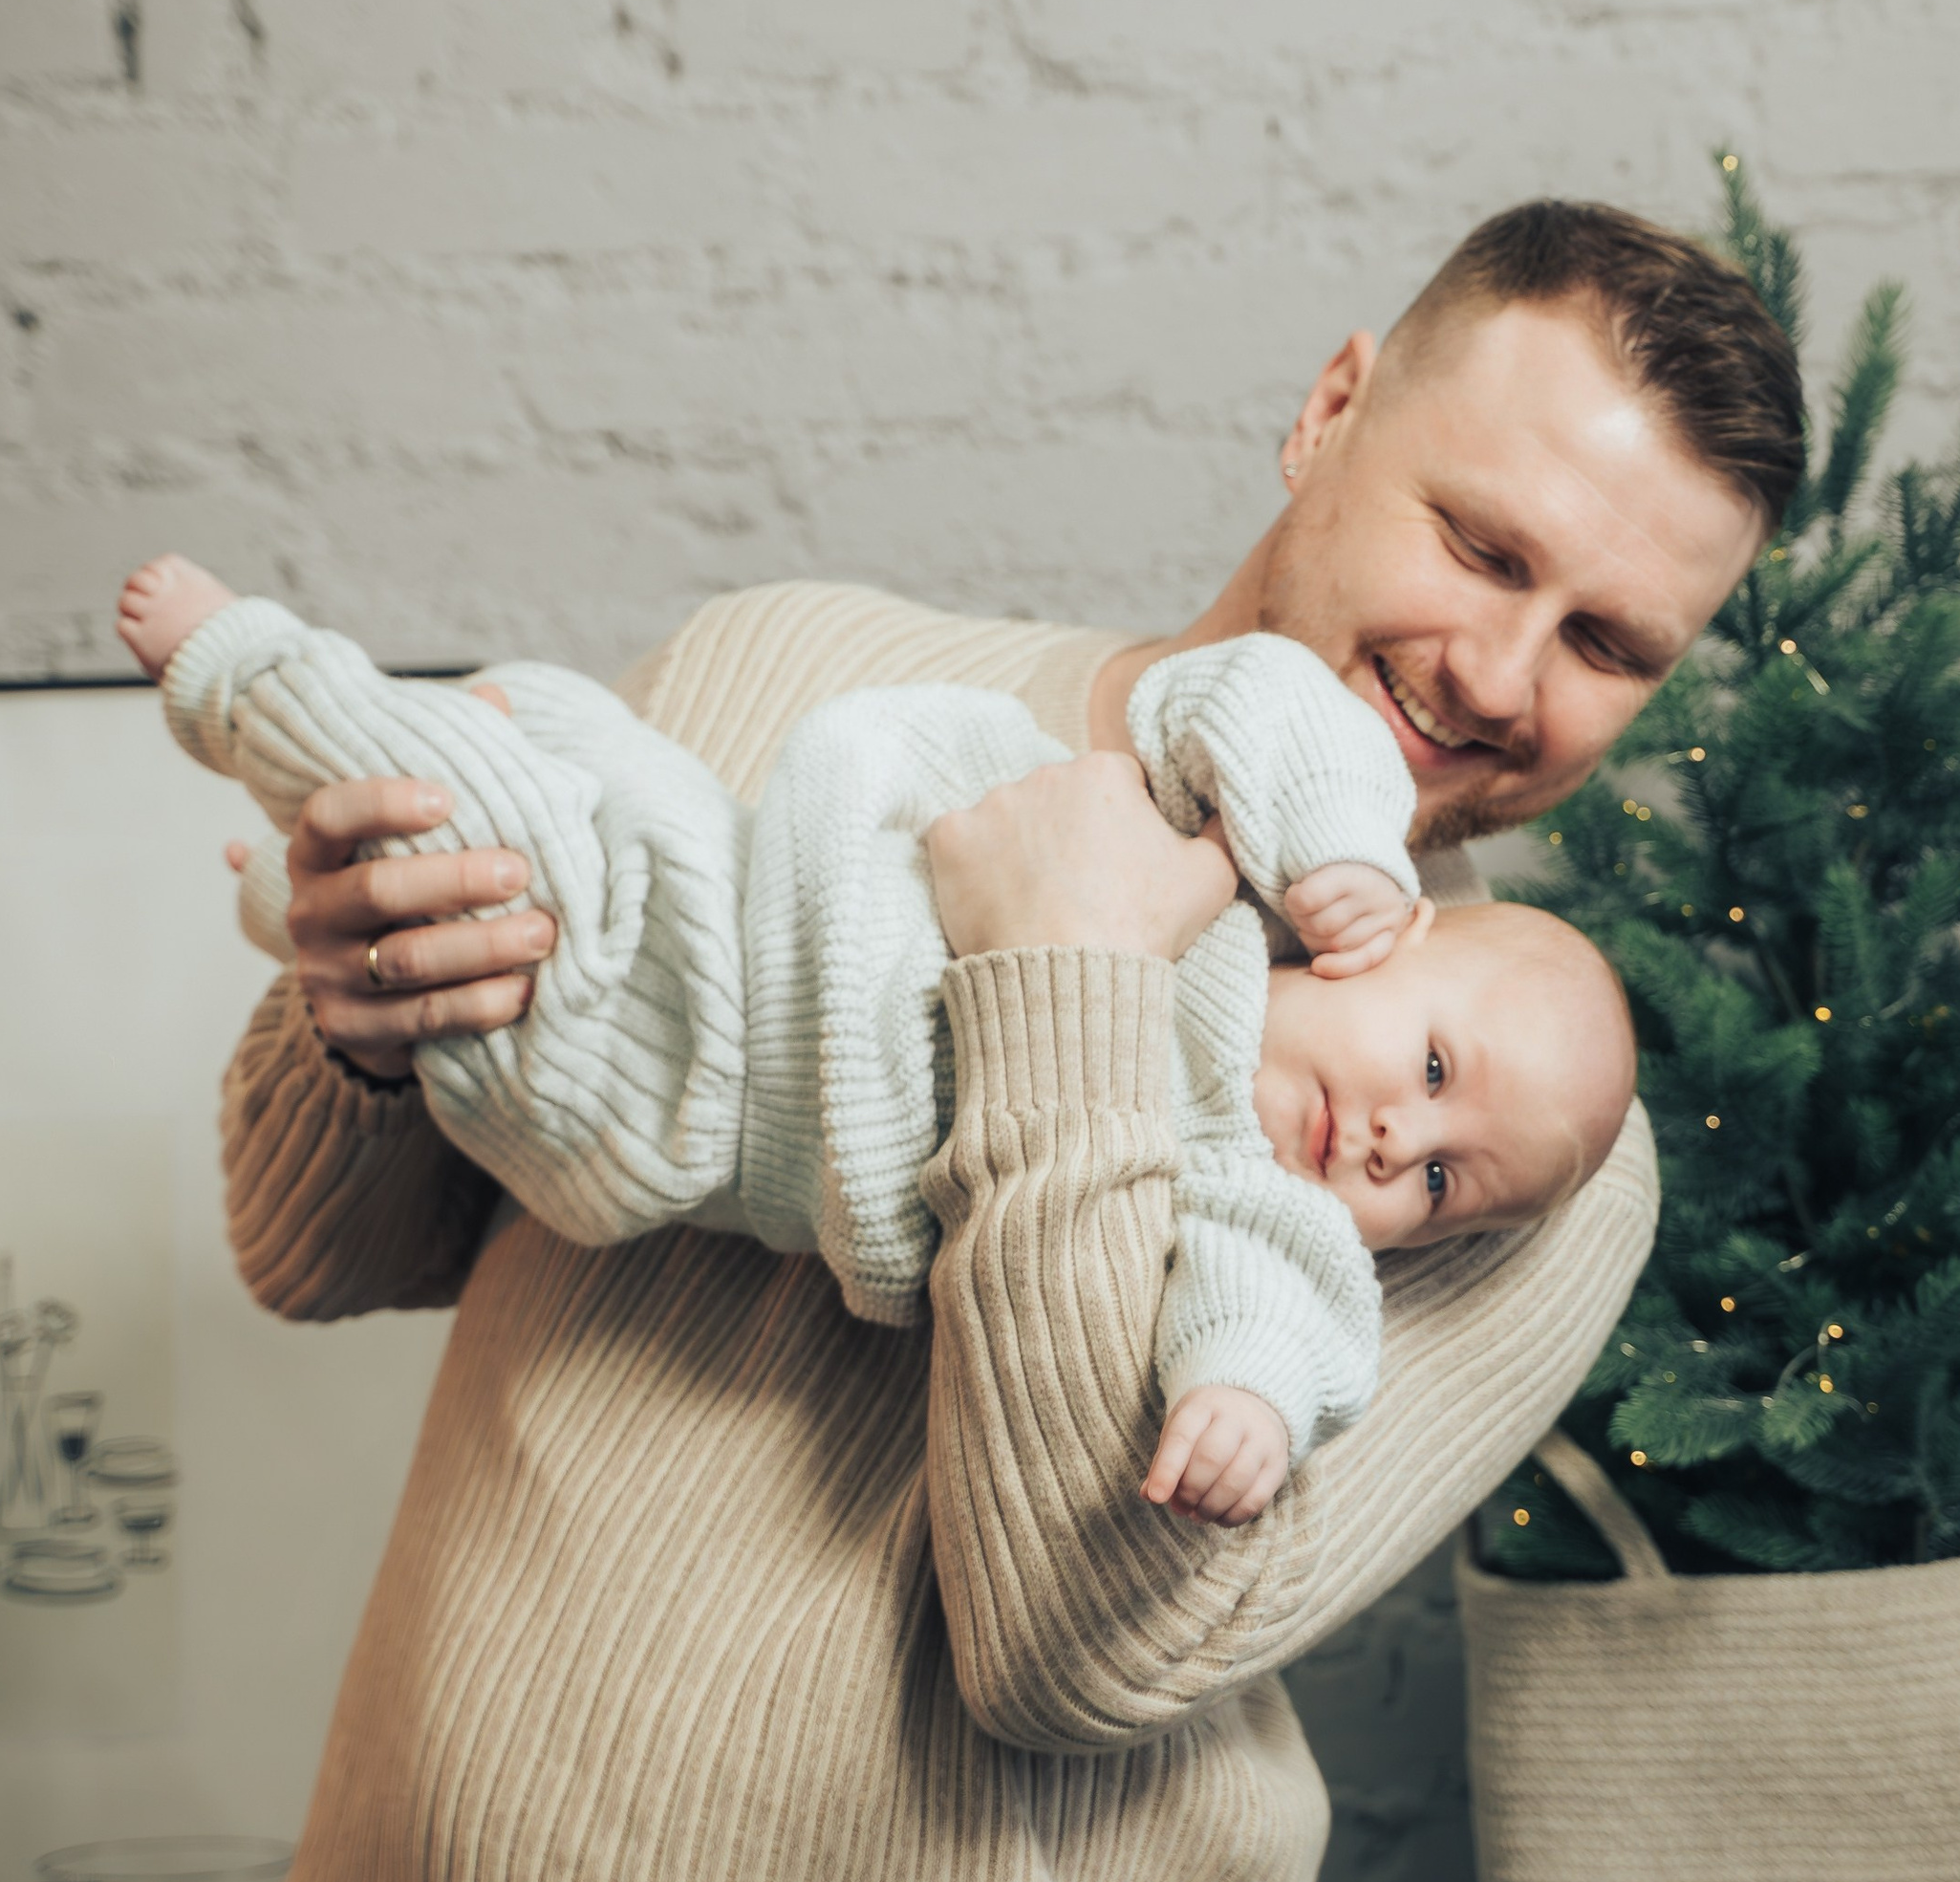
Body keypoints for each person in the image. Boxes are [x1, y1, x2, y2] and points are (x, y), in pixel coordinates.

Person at [48, 202, 1800, 1882]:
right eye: (1482, 542)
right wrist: (354, 1003)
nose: (1502, 672)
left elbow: (1089, 1636)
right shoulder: (806, 679)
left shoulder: (1508, 1135)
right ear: (1331, 409)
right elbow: (324, 1244)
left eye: (1613, 640)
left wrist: (1072, 971)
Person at [116, 562, 1637, 1523]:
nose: (1393, 1145)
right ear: (1334, 405)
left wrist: (1243, 1399)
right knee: (512, 780)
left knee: (520, 905)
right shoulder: (1250, 858)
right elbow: (1257, 707)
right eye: (1429, 1080)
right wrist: (353, 1009)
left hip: (691, 1093)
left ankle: (246, 677)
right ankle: (279, 730)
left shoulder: (1252, 1187)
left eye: (1438, 1186)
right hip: (717, 879)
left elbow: (1289, 1316)